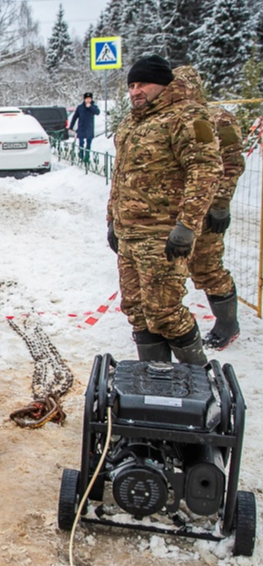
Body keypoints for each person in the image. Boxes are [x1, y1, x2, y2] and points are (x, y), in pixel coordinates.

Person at [106, 54, 223, 365]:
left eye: (142, 84)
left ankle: (199, 382)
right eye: (131, 85)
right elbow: (119, 176)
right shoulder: (132, 121)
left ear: (163, 84)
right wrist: (111, 222)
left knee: (165, 312)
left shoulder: (185, 116)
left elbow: (205, 170)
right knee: (137, 310)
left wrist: (187, 225)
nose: (135, 91)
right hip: (129, 234)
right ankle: (154, 379)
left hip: (163, 235)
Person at [171, 66, 245, 350]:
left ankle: (228, 324)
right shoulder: (172, 118)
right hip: (177, 209)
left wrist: (220, 204)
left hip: (207, 209)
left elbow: (232, 164)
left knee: (207, 267)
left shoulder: (218, 119)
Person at [69, 92, 100, 162]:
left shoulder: (93, 107)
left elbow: (97, 112)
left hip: (89, 128)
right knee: (81, 143)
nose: (88, 100)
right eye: (87, 99)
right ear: (84, 99)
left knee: (88, 144)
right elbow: (74, 117)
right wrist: (71, 127)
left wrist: (90, 107)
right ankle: (81, 156)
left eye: (89, 99)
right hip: (81, 128)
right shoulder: (80, 108)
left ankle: (87, 157)